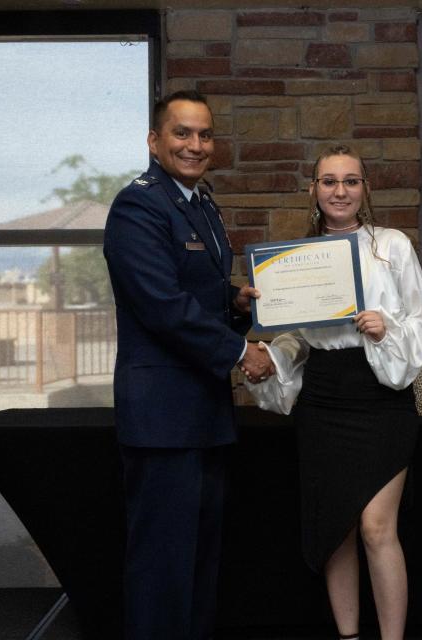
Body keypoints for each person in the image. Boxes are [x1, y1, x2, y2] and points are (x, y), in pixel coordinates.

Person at [245, 145, 422, 640]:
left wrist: (386, 326)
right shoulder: (295, 260)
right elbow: (296, 338)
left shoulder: (391, 245)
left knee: (377, 526)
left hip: (381, 397)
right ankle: (349, 637)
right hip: (324, 399)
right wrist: (271, 357)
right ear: (314, 190)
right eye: (329, 181)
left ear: (364, 189)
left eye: (350, 181)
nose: (340, 190)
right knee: (338, 530)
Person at [103, 89, 273, 639]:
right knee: (162, 570)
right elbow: (160, 304)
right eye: (182, 133)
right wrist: (239, 350)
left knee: (198, 566)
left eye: (204, 135)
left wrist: (236, 305)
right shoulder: (139, 205)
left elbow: (195, 297)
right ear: (154, 140)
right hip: (163, 420)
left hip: (202, 414)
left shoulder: (201, 204)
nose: (195, 145)